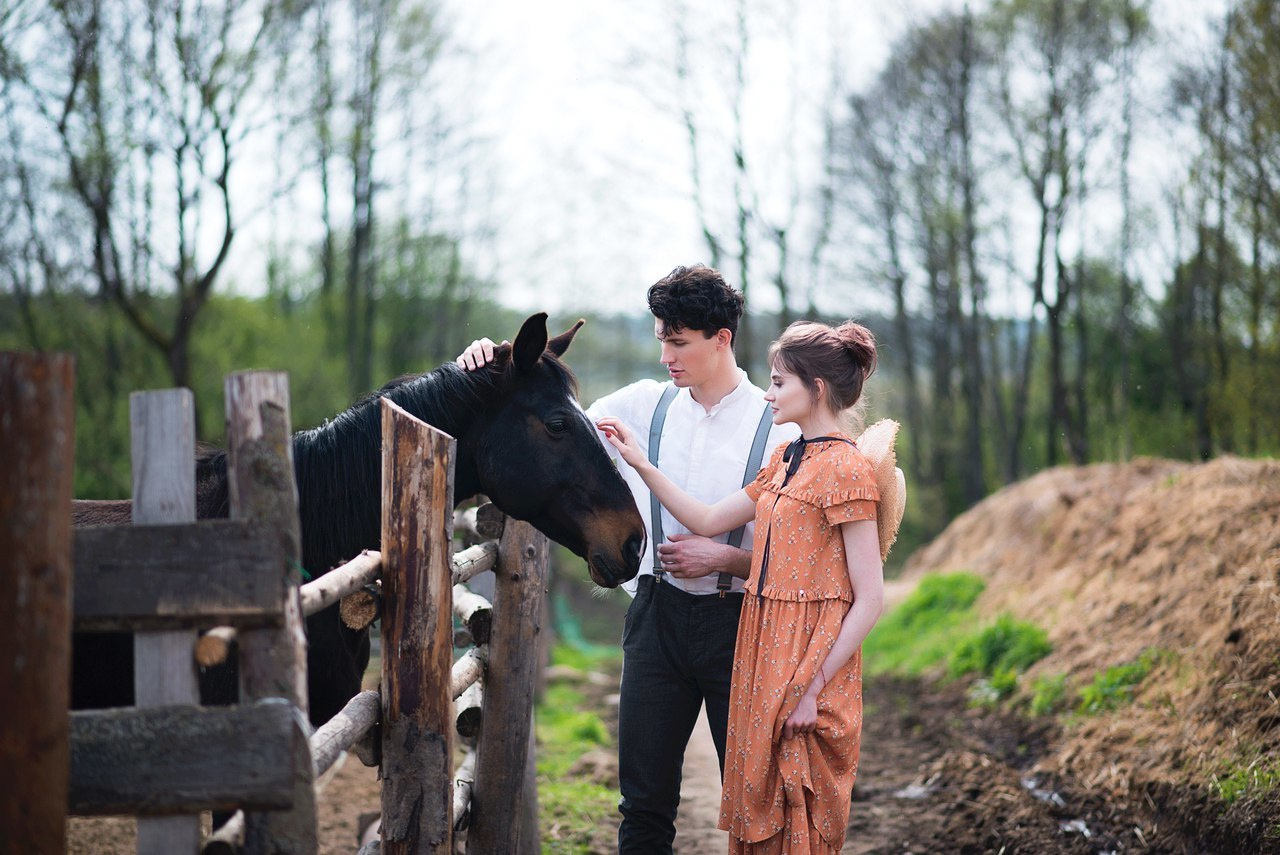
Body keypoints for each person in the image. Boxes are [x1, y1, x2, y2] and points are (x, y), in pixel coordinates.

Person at [456, 265, 799, 852]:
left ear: (722, 338)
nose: (666, 353)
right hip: (655, 621)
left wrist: (731, 559)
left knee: (754, 805)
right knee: (642, 807)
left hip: (743, 627)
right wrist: (494, 362)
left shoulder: (778, 426)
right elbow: (538, 431)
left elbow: (803, 557)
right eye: (661, 337)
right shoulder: (642, 405)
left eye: (679, 340)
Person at [596, 319, 886, 854]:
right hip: (760, 649)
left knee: (788, 810)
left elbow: (868, 596)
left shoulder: (846, 469)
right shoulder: (787, 459)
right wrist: (640, 461)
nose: (768, 392)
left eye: (779, 382)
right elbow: (706, 518)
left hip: (802, 661)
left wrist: (812, 686)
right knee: (754, 808)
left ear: (815, 388)